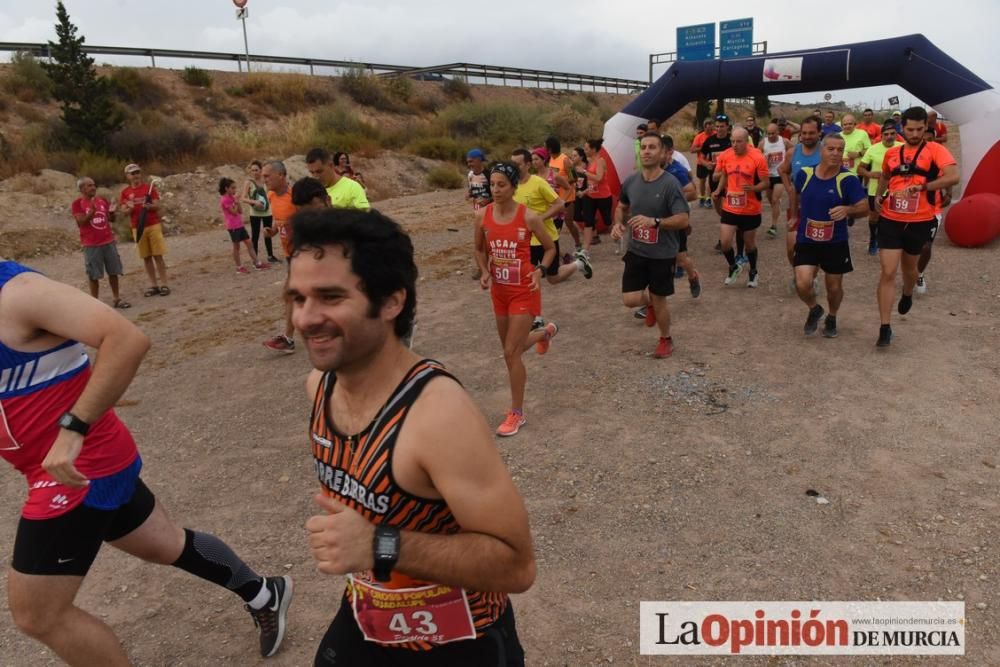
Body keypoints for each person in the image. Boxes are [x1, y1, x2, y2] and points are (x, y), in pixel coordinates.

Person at [0, 261, 293, 662]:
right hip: (70, 465)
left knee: (39, 615)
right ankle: (264, 592)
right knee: (165, 543)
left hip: (79, 470)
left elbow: (126, 338)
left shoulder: (19, 293)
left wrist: (73, 428)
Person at [284, 207, 535, 664]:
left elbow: (517, 565)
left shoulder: (437, 414)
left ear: (391, 302)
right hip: (369, 617)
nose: (304, 318)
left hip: (460, 643)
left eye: (330, 297)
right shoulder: (318, 387)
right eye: (297, 298)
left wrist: (380, 545)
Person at [474, 162, 558, 436]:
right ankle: (544, 333)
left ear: (513, 187)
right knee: (515, 350)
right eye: (492, 185)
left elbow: (549, 249)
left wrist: (540, 271)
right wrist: (485, 271)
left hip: (524, 290)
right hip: (500, 292)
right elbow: (478, 249)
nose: (495, 190)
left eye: (501, 185)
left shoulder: (529, 217)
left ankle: (517, 413)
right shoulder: (482, 216)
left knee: (510, 353)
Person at [873, 106, 959, 347]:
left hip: (920, 220)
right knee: (888, 271)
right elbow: (885, 176)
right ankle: (884, 327)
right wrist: (879, 197)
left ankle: (908, 291)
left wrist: (924, 188)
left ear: (925, 127)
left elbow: (953, 176)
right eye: (909, 129)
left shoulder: (935, 150)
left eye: (919, 129)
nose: (914, 133)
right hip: (891, 218)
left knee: (909, 269)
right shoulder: (893, 153)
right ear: (903, 128)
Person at [612, 133, 691, 358]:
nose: (646, 151)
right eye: (644, 147)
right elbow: (622, 206)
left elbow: (683, 219)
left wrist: (655, 222)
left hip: (662, 253)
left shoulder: (670, 184)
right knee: (630, 300)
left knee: (660, 299)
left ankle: (666, 339)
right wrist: (618, 224)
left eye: (652, 147)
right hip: (636, 250)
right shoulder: (631, 181)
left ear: (662, 153)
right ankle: (648, 306)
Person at [789, 133, 869, 338]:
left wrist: (848, 210)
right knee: (802, 283)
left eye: (839, 150)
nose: (835, 153)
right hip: (807, 238)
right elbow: (795, 194)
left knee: (833, 287)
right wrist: (794, 216)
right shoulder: (805, 174)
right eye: (830, 149)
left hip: (835, 241)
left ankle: (832, 316)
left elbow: (864, 208)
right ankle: (815, 308)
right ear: (821, 150)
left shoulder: (847, 179)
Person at [512, 148, 591, 286]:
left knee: (552, 278)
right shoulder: (511, 185)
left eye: (518, 164)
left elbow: (560, 203)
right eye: (512, 164)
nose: (514, 168)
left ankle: (578, 264)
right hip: (524, 239)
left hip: (545, 236)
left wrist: (540, 219)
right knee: (523, 275)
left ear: (528, 165)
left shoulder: (540, 181)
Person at [711, 127, 768, 287]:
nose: (734, 145)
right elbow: (724, 174)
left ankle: (753, 271)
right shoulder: (726, 155)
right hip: (730, 206)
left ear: (746, 141)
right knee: (725, 243)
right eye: (732, 141)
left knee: (749, 244)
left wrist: (754, 188)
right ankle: (733, 266)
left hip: (750, 209)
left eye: (738, 141)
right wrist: (718, 189)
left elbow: (766, 183)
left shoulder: (757, 157)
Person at [71, 177, 128, 308]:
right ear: (82, 189)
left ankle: (117, 298)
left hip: (108, 241)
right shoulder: (77, 204)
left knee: (113, 271)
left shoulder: (101, 201)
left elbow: (110, 219)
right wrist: (91, 212)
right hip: (91, 244)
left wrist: (112, 213)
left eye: (94, 185)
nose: (93, 188)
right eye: (89, 186)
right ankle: (95, 303)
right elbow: (81, 222)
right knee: (94, 275)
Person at [262, 161, 299, 354]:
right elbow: (279, 222)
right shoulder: (270, 196)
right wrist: (273, 231)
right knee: (294, 295)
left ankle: (289, 339)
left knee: (290, 294)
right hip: (289, 254)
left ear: (281, 175)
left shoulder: (296, 196)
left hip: (301, 253)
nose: (264, 179)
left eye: (267, 175)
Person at [779, 116, 823, 273]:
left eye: (811, 133)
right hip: (796, 207)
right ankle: (797, 272)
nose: (807, 136)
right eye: (804, 133)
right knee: (791, 248)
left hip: (819, 209)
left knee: (815, 248)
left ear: (819, 133)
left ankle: (812, 276)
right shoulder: (793, 152)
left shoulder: (826, 152)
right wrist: (789, 188)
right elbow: (782, 170)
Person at [119, 163, 169, 297]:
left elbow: (157, 205)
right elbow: (123, 210)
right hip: (138, 227)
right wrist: (128, 208)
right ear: (127, 176)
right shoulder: (125, 192)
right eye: (132, 173)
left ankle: (164, 284)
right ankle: (154, 285)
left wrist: (149, 206)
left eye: (137, 172)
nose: (135, 175)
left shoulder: (149, 188)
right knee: (146, 257)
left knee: (158, 255)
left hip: (153, 225)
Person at [857, 121, 902, 255]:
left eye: (892, 134)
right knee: (874, 218)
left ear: (896, 134)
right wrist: (870, 174)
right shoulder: (873, 148)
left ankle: (890, 242)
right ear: (881, 135)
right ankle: (873, 239)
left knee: (894, 218)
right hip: (875, 189)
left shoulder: (903, 147)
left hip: (896, 190)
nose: (889, 136)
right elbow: (860, 169)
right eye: (886, 134)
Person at [219, 178, 270, 274]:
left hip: (239, 225)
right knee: (236, 247)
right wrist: (237, 202)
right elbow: (233, 212)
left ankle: (257, 263)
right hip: (233, 226)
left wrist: (237, 202)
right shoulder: (224, 200)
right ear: (226, 188)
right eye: (232, 188)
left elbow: (240, 211)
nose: (235, 190)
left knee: (249, 243)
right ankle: (239, 267)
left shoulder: (232, 198)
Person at [544, 136, 583, 251]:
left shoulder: (565, 159)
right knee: (555, 225)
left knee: (569, 222)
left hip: (567, 196)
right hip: (553, 198)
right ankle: (553, 249)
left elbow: (574, 177)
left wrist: (561, 182)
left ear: (550, 148)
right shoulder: (549, 160)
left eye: (545, 146)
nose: (544, 148)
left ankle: (578, 244)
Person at [306, 148, 370, 211]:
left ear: (331, 165)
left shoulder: (352, 187)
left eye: (319, 171)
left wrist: (334, 213)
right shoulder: (311, 192)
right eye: (312, 172)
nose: (315, 176)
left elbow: (365, 218)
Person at [241, 160, 279, 263]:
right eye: (252, 170)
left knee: (268, 233)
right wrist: (254, 202)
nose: (254, 172)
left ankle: (270, 256)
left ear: (261, 170)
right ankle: (256, 259)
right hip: (255, 213)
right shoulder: (248, 182)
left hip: (267, 211)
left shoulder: (266, 180)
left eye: (256, 170)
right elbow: (243, 198)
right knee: (255, 235)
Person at [759, 122, 793, 238]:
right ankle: (776, 207)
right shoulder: (763, 143)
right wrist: (764, 161)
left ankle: (773, 226)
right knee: (772, 201)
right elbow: (757, 157)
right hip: (768, 175)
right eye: (769, 133)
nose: (771, 135)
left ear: (778, 132)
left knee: (774, 199)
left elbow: (794, 152)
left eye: (773, 133)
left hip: (780, 174)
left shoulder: (784, 141)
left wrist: (787, 164)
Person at [580, 138, 614, 253]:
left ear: (593, 149)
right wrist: (584, 192)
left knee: (607, 222)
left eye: (587, 148)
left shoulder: (600, 160)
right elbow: (591, 182)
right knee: (588, 221)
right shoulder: (589, 161)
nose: (585, 150)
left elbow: (599, 178)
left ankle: (618, 238)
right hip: (590, 196)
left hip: (603, 196)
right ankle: (585, 249)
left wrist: (584, 172)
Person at [692, 118, 716, 208]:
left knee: (711, 181)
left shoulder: (716, 135)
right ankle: (702, 197)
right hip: (702, 162)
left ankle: (708, 199)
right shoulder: (699, 136)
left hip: (713, 163)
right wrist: (703, 148)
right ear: (704, 128)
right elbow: (692, 150)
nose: (709, 131)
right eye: (707, 129)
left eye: (711, 129)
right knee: (702, 181)